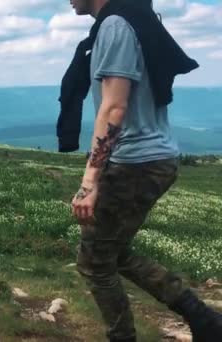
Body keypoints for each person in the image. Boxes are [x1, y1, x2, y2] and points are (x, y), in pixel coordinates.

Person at [56, 0, 222, 341]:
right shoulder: (127, 20)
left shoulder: (115, 25)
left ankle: (127, 337)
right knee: (111, 252)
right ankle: (204, 320)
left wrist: (90, 181)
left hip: (137, 162)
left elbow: (114, 107)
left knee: (94, 263)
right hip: (149, 159)